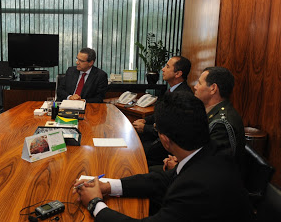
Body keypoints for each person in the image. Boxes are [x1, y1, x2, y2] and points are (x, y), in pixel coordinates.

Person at [74, 92, 254, 221]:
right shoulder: (209, 151)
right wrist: (108, 186)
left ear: (165, 140)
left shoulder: (197, 187)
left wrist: (95, 204)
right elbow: (161, 179)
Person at [163, 66, 245, 171]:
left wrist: (179, 166)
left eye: (200, 83)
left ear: (213, 88)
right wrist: (180, 158)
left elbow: (211, 167)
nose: (195, 87)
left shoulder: (221, 124)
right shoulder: (212, 112)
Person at [132, 56, 192, 166]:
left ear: (178, 74)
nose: (163, 69)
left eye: (167, 67)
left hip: (164, 147)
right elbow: (160, 114)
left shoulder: (183, 97)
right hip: (156, 138)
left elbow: (171, 130)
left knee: (132, 151)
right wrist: (144, 121)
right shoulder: (172, 90)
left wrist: (145, 128)